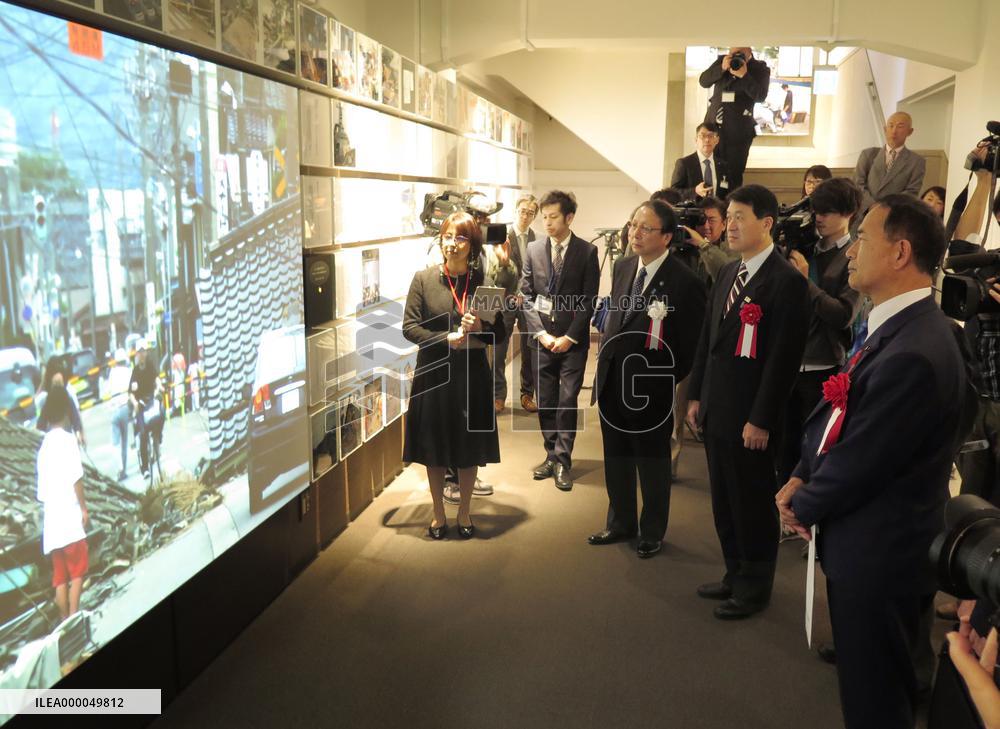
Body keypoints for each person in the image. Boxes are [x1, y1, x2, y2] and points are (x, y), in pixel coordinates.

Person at [777, 195, 967, 729]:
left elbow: (864, 457)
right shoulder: (895, 326)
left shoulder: (914, 348)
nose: (853, 249)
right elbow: (840, 414)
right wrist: (801, 472)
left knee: (876, 700)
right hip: (872, 544)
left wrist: (804, 503)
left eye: (865, 237)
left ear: (901, 252)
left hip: (881, 553)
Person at [685, 184, 810, 620]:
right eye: (729, 217)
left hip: (752, 420)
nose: (731, 225)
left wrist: (761, 419)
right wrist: (695, 393)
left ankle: (755, 588)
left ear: (767, 224)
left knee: (752, 503)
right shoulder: (727, 272)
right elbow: (708, 341)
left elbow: (783, 361)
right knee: (723, 498)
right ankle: (733, 572)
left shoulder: (786, 282)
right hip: (718, 408)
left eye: (740, 217)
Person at [588, 200, 706, 557]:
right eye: (632, 225)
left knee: (652, 462)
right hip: (611, 380)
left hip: (650, 389)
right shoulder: (625, 267)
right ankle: (620, 521)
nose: (634, 233)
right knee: (616, 457)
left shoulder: (685, 281)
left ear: (667, 236)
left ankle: (652, 530)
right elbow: (616, 321)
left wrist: (662, 379)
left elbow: (691, 345)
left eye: (645, 228)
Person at [402, 211, 506, 539]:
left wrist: (482, 326)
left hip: (472, 375)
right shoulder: (423, 279)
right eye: (447, 236)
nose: (452, 244)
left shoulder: (484, 285)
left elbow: (499, 333)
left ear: (471, 244)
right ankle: (437, 514)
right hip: (434, 374)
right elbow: (409, 328)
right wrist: (443, 338)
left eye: (460, 238)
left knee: (468, 445)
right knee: (433, 445)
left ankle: (464, 513)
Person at [777, 178, 863, 485]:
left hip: (823, 366)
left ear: (849, 213)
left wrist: (804, 280)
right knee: (783, 446)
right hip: (789, 360)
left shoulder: (854, 257)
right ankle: (783, 513)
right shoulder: (805, 248)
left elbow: (843, 315)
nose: (820, 218)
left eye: (828, 211)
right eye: (817, 211)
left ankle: (808, 516)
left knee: (814, 447)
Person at [521, 190, 600, 491]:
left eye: (553, 217)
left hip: (572, 342)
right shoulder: (534, 249)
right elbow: (526, 296)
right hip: (541, 339)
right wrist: (540, 333)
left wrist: (569, 336)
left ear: (569, 217)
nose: (548, 223)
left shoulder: (586, 252)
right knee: (546, 402)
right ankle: (551, 454)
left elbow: (588, 299)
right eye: (544, 217)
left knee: (567, 402)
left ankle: (563, 461)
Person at [36, 384, 89, 620]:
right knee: (77, 572)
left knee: (60, 578)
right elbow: (77, 479)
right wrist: (84, 509)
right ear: (66, 412)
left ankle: (64, 621)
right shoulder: (68, 441)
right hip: (70, 520)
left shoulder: (43, 447)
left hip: (52, 525)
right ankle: (74, 619)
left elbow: (41, 494)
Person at [698, 47, 771, 190]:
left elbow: (760, 96)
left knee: (733, 175)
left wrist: (745, 75)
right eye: (732, 53)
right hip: (712, 127)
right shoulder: (722, 61)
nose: (735, 56)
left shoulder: (759, 68)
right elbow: (703, 81)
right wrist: (722, 67)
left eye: (740, 53)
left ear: (749, 51)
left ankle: (731, 206)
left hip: (738, 131)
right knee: (708, 168)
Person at [498, 194, 539, 414]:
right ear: (516, 210)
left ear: (534, 216)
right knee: (499, 348)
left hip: (527, 300)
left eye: (530, 212)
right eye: (523, 210)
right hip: (504, 299)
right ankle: (498, 396)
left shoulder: (538, 239)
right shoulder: (501, 236)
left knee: (529, 348)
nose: (525, 215)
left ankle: (527, 394)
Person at [852, 111, 926, 216]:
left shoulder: (916, 161)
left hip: (893, 216)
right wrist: (871, 205)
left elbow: (912, 192)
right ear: (885, 129)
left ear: (910, 132)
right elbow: (857, 183)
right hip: (864, 214)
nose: (894, 131)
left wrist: (885, 208)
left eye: (900, 126)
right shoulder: (868, 154)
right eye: (890, 126)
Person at [681, 196, 740, 289]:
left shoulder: (734, 248)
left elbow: (728, 275)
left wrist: (703, 245)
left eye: (711, 220)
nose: (706, 226)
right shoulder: (684, 247)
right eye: (702, 220)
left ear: (724, 224)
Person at [129, 339, 164, 480]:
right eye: (140, 352)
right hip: (141, 405)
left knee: (162, 412)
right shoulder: (135, 371)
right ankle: (144, 468)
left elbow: (157, 379)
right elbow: (130, 392)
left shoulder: (150, 366)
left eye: (144, 351)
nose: (142, 354)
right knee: (142, 434)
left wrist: (160, 387)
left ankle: (158, 436)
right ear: (137, 354)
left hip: (152, 400)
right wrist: (135, 403)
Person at [670, 122, 730, 202]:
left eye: (711, 136)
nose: (707, 140)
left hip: (717, 212)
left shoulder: (723, 165)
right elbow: (673, 193)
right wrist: (694, 191)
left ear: (717, 140)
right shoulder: (684, 163)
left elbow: (728, 193)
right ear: (696, 140)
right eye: (702, 136)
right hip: (692, 212)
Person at [35, 355, 85, 446]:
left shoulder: (44, 398)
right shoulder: (68, 393)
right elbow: (76, 415)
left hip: (50, 440)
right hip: (67, 437)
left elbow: (40, 423)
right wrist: (80, 432)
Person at [107, 348, 133, 481]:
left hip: (113, 409)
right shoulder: (128, 371)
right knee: (124, 441)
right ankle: (124, 470)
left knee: (115, 443)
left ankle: (120, 468)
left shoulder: (112, 373)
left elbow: (108, 390)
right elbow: (133, 388)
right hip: (125, 408)